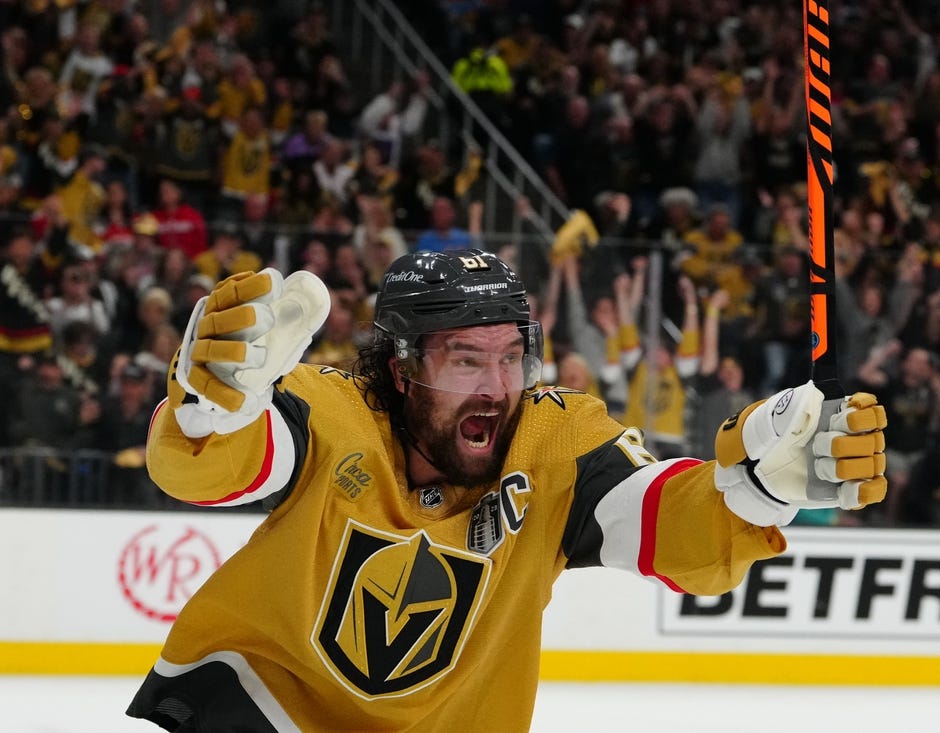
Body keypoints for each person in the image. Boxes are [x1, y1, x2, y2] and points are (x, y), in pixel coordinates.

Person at [127, 249, 887, 731]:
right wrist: (207, 413)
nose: (496, 386)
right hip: (270, 708)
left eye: (512, 357)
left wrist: (751, 492)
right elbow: (219, 467)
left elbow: (664, 526)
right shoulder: (336, 412)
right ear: (400, 370)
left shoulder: (554, 441)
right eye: (465, 361)